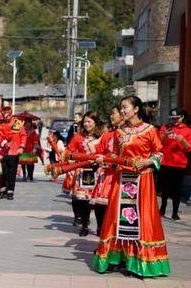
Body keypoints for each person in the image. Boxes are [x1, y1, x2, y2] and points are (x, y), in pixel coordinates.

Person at [93, 96, 169, 277]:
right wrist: (105, 159)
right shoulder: (119, 132)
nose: (122, 111)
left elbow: (159, 153)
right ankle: (117, 258)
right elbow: (115, 155)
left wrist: (148, 161)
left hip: (142, 181)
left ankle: (142, 262)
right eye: (121, 108)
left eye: (125, 107)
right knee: (117, 219)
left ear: (136, 109)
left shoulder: (150, 130)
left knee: (142, 219)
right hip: (123, 179)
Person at [64, 112, 102, 237]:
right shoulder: (78, 137)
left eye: (89, 121)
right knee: (83, 202)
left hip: (99, 172)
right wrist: (71, 157)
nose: (86, 124)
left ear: (95, 122)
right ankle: (85, 226)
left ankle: (100, 227)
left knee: (98, 202)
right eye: (85, 122)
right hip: (84, 172)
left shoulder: (102, 137)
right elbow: (69, 151)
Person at [90, 107, 123, 235]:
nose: (111, 116)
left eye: (113, 113)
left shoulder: (130, 136)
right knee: (100, 207)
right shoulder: (108, 136)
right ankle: (102, 235)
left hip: (122, 177)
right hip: (107, 175)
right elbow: (98, 151)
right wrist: (99, 163)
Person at [158, 109, 191, 220]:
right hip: (165, 162)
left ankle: (175, 212)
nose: (174, 120)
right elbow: (157, 142)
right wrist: (164, 135)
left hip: (179, 164)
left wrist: (182, 140)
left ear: (182, 117)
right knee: (165, 188)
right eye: (172, 118)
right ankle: (162, 209)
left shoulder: (188, 131)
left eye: (177, 118)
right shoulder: (166, 127)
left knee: (176, 189)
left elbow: (190, 148)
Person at [0, 106, 26, 200]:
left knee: (11, 173)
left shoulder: (18, 123)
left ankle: (10, 191)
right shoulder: (0, 123)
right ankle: (3, 189)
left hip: (14, 151)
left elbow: (23, 136)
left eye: (7, 116)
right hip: (2, 152)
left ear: (11, 114)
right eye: (4, 116)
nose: (6, 118)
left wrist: (21, 147)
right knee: (3, 173)